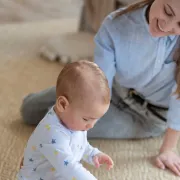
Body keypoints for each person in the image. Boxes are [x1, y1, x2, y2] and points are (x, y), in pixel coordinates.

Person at [21, 0, 180, 176]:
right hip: (111, 95)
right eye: (168, 11)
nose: (167, 26)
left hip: (148, 117)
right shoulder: (116, 24)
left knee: (73, 129)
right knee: (29, 111)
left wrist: (167, 149)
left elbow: (178, 99)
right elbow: (98, 84)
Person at [17, 60, 113, 180]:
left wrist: (94, 154)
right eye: (87, 119)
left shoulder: (75, 121)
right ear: (62, 104)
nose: (91, 125)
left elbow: (80, 145)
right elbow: (70, 168)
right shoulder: (52, 133)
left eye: (96, 120)